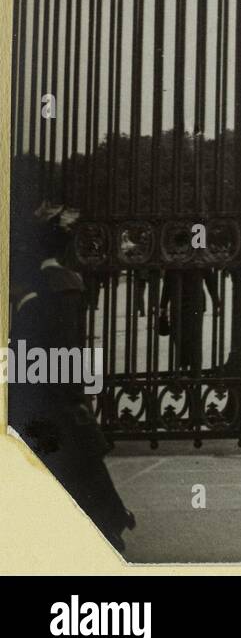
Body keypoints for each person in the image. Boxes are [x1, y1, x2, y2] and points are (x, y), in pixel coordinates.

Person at [8, 204, 135, 553]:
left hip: (42, 390)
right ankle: (108, 519)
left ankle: (102, 522)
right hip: (59, 387)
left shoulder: (37, 291)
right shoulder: (63, 284)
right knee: (76, 462)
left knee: (59, 462)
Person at [158, 268, 221, 375]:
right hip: (187, 301)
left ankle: (189, 368)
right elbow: (210, 279)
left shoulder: (177, 254)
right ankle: (189, 368)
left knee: (186, 337)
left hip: (186, 301)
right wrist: (163, 305)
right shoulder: (195, 254)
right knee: (188, 337)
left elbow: (167, 283)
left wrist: (217, 302)